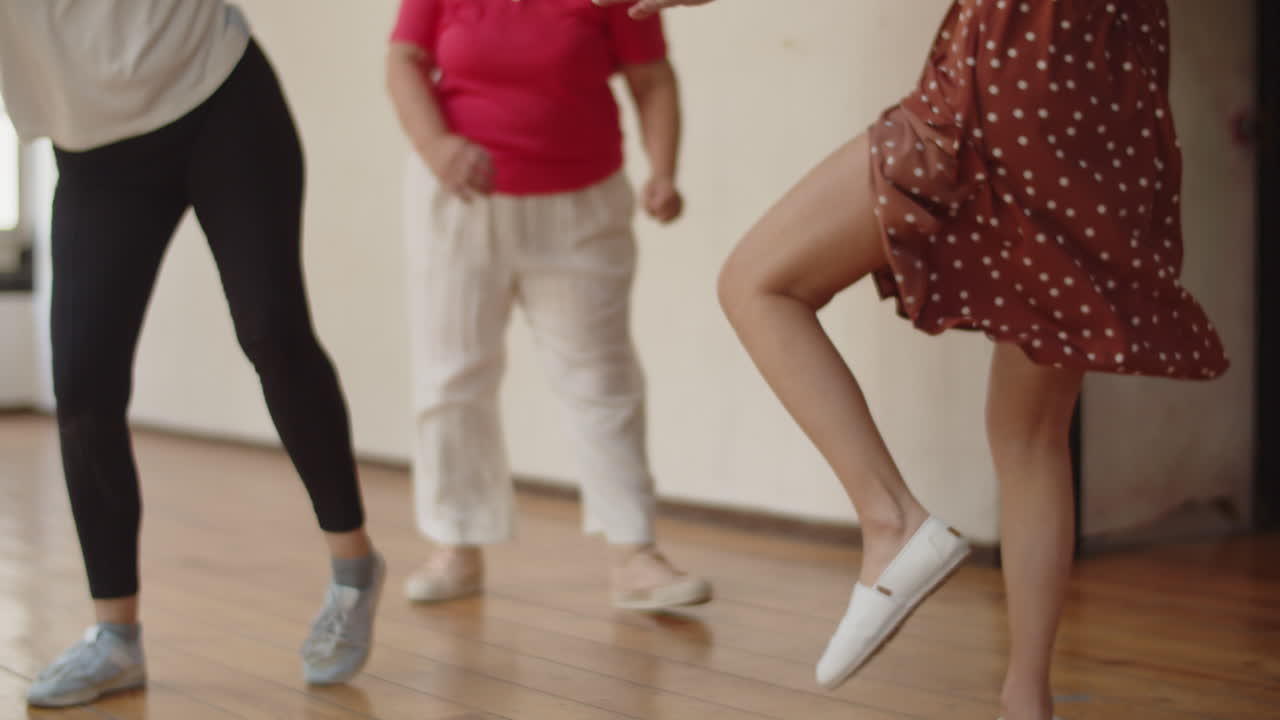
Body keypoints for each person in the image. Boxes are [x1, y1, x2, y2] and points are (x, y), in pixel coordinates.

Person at [597, 1, 1228, 718]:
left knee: (755, 283)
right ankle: (1027, 701)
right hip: (1103, 132)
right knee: (1031, 437)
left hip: (1005, 86)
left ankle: (890, 522)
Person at [0, 0, 385, 707]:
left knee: (272, 329)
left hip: (217, 96)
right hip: (94, 148)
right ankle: (115, 638)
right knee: (82, 384)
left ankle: (353, 568)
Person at [386, 0, 712, 611]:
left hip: (582, 205)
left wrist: (663, 170)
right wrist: (435, 146)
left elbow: (652, 76)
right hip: (459, 201)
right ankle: (456, 542)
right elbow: (404, 60)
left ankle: (633, 551)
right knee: (451, 376)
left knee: (601, 375)